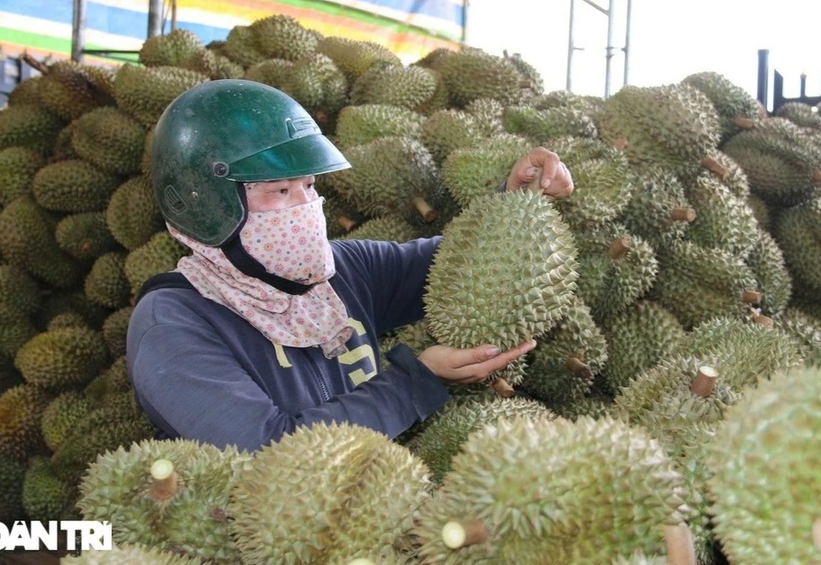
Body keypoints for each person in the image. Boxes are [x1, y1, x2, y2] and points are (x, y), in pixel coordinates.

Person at [126, 79, 574, 453]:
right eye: (279, 192)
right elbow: (269, 453)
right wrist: (414, 381)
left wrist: (515, 201)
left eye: (308, 184)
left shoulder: (343, 271)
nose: (304, 205)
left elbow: (457, 264)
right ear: (206, 207)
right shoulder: (172, 326)